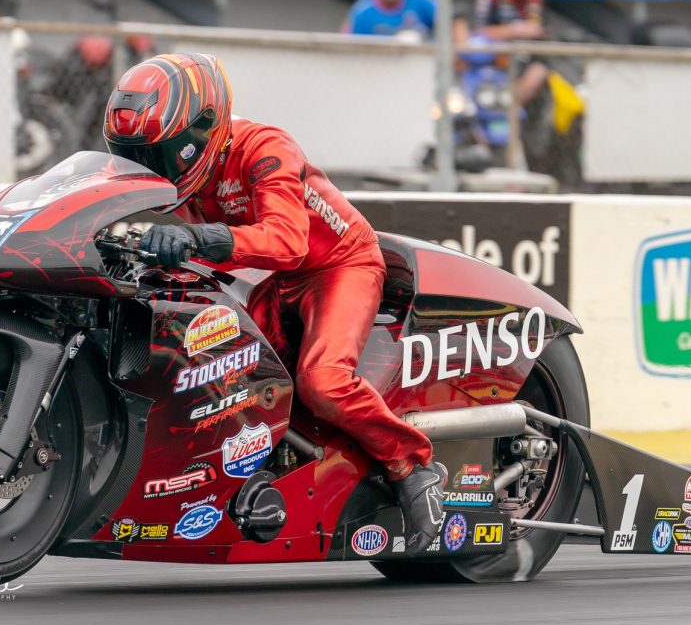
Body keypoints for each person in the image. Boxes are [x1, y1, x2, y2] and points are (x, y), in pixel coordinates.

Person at [102, 52, 445, 553]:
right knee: (220, 361)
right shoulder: (185, 170)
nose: (148, 169)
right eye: (136, 155)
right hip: (279, 280)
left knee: (323, 381)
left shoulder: (265, 148)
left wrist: (202, 239)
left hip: (340, 265)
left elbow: (289, 242)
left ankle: (415, 467)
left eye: (159, 154)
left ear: (201, 132)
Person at [473, 0, 550, 106]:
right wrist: (513, 30)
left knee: (539, 70)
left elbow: (543, 29)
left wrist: (536, 30)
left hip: (524, 58)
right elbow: (478, 32)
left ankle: (512, 109)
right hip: (493, 57)